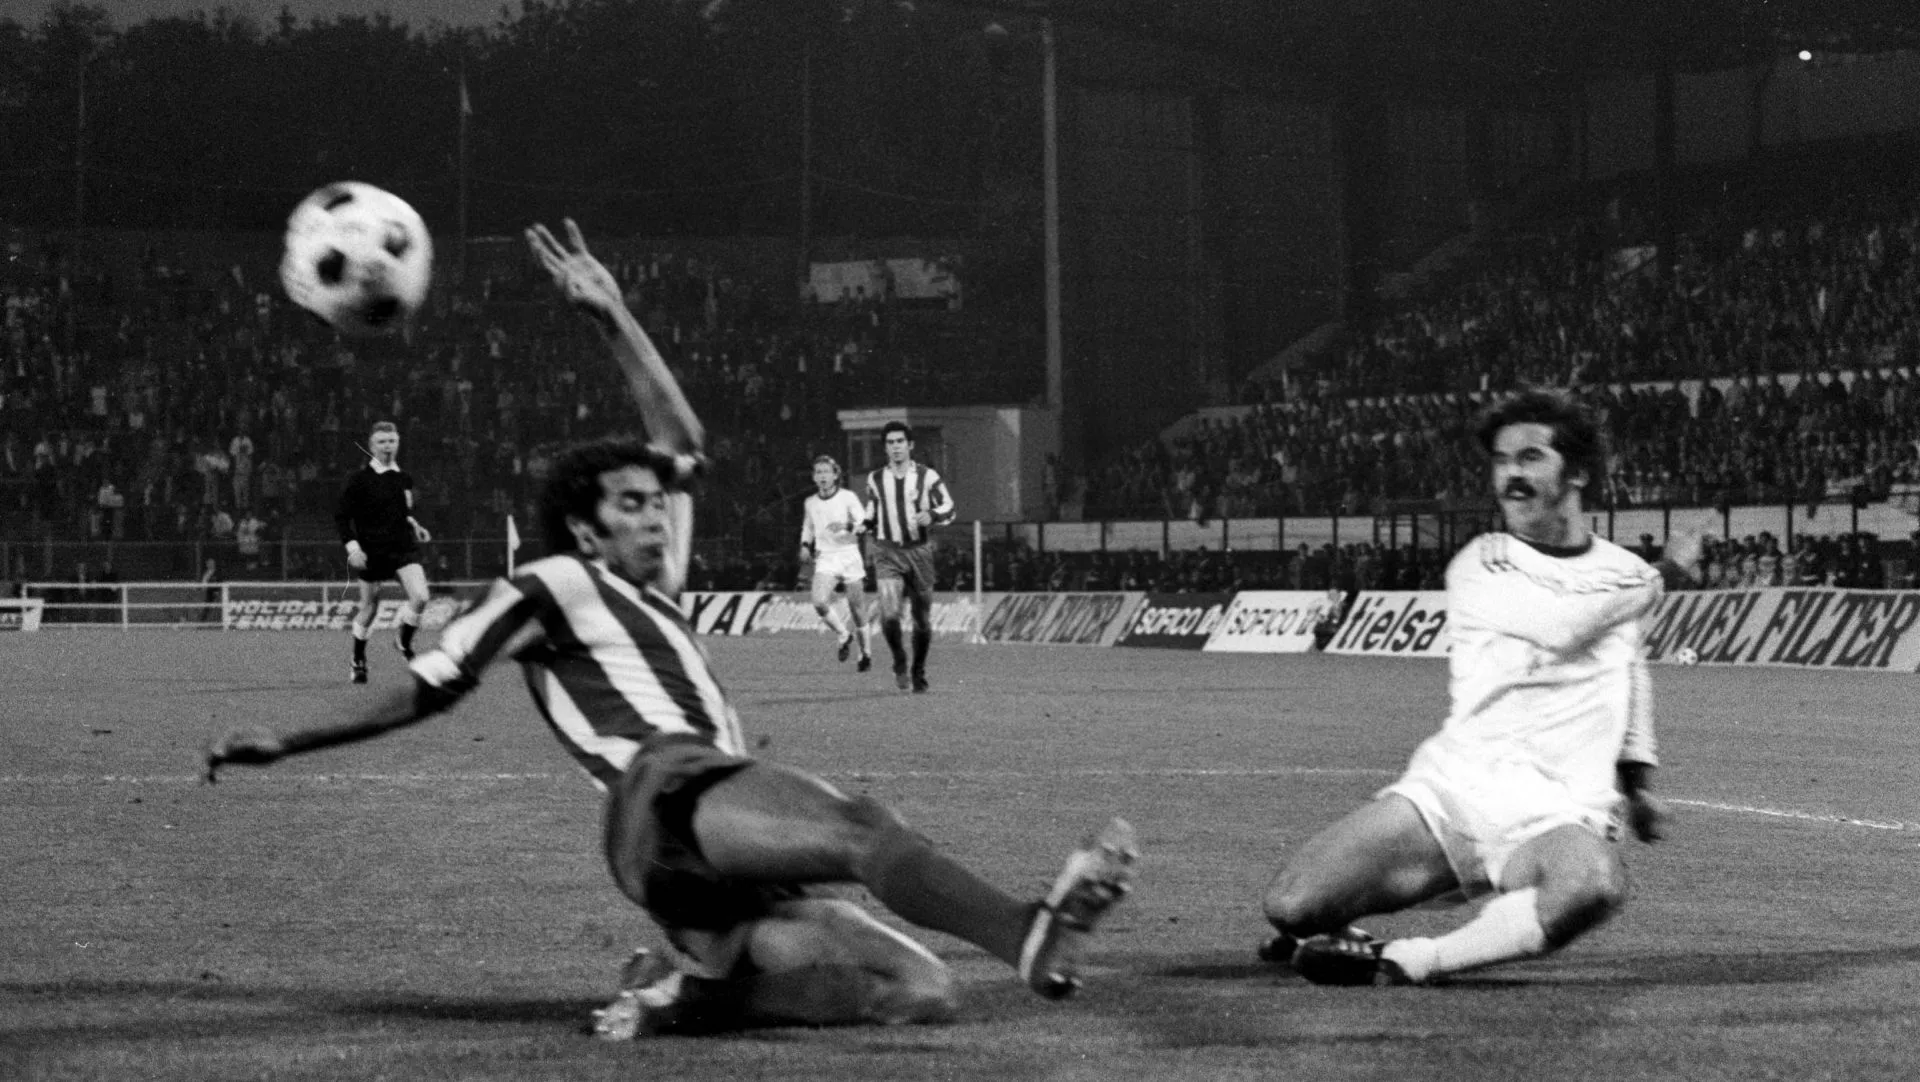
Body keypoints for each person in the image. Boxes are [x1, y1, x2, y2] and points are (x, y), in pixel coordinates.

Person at [208, 218, 1136, 1038]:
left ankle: (686, 998)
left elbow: (683, 443)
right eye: (634, 505)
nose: (658, 516)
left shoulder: (659, 598)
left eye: (660, 505)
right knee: (864, 826)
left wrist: (613, 314)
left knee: (920, 989)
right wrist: (287, 736)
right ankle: (1026, 932)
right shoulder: (551, 582)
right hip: (667, 796)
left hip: (704, 851)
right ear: (585, 525)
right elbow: (429, 686)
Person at [1258, 389, 1701, 987]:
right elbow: (1559, 626)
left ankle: (1415, 960)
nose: (1511, 475)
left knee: (1593, 884)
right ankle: (1347, 934)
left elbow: (1628, 668)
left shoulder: (1623, 572)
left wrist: (1639, 784)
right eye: (1501, 460)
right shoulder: (1483, 561)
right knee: (1291, 906)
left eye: (1530, 457)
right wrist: (1667, 574)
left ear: (1579, 473)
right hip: (1455, 791)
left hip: (1560, 807)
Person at [333, 421, 434, 683]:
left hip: (402, 547)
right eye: (382, 442)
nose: (387, 446)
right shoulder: (358, 480)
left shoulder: (404, 478)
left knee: (421, 597)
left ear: (398, 443)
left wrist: (415, 525)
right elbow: (342, 517)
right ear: (371, 446)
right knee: (369, 609)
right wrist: (353, 548)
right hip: (372, 551)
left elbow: (402, 511)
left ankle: (403, 641)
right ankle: (358, 659)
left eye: (392, 441)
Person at [862, 422, 954, 692]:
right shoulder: (875, 479)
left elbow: (948, 506)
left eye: (900, 441)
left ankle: (918, 670)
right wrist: (863, 524)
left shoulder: (928, 476)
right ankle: (899, 659)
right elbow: (872, 510)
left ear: (910, 445)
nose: (895, 447)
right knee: (889, 615)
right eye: (890, 442)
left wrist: (933, 515)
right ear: (885, 447)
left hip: (919, 552)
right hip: (888, 551)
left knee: (921, 619)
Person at [799, 454, 874, 671]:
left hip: (849, 554)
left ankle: (865, 653)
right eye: (818, 472)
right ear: (814, 477)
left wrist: (846, 526)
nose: (822, 476)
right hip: (826, 557)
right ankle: (843, 634)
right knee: (819, 601)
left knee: (857, 609)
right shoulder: (810, 503)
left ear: (835, 475)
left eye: (826, 472)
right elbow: (808, 527)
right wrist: (805, 545)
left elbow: (864, 523)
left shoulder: (847, 497)